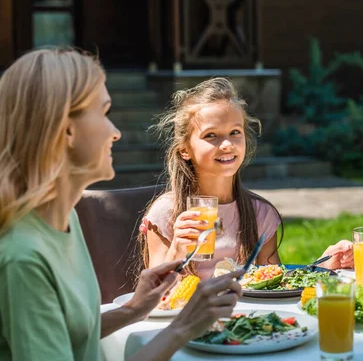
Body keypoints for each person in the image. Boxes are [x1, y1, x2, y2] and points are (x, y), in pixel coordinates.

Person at [0, 48, 243, 360]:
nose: (115, 133)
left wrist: (134, 309)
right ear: (67, 130)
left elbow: (68, 333)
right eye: (104, 113)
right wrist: (182, 327)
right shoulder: (24, 259)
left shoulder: (61, 221)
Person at [139, 78, 353, 280]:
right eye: (211, 135)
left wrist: (320, 268)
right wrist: (177, 250)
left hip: (244, 317)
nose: (227, 144)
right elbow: (153, 298)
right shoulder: (167, 213)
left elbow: (273, 284)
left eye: (234, 132)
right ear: (185, 150)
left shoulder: (260, 213)